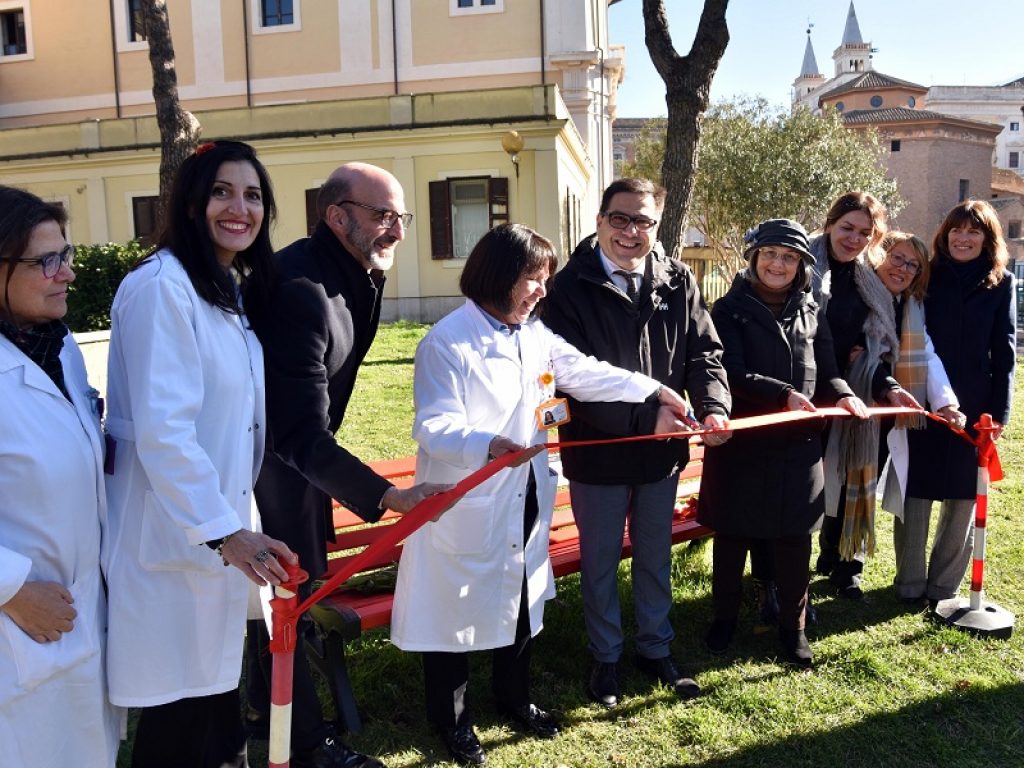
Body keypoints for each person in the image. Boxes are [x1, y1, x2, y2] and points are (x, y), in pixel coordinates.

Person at [391, 223, 693, 766]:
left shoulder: (533, 335)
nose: (541, 291)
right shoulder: (447, 341)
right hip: (469, 496)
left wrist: (652, 388)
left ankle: (515, 700)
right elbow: (431, 426)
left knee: (521, 603)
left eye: (545, 279)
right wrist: (486, 444)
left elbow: (585, 373)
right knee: (450, 617)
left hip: (525, 490)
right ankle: (454, 723)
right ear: (499, 274)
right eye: (533, 279)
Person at [247, 162, 449, 768]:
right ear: (338, 216)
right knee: (287, 602)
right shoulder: (301, 289)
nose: (397, 231)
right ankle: (306, 745)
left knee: (286, 605)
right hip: (266, 471)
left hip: (298, 465)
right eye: (383, 216)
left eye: (401, 218)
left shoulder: (351, 272)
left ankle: (271, 710)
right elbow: (296, 432)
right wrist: (388, 496)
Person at [103, 141, 297, 768]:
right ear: (190, 204)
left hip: (213, 536)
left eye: (253, 196)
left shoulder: (221, 290)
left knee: (214, 712)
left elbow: (230, 428)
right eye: (221, 192)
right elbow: (165, 431)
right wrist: (226, 533)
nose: (239, 208)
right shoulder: (161, 288)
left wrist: (239, 529)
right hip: (173, 541)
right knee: (175, 726)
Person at [541, 177, 731, 707]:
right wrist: (646, 418)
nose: (630, 231)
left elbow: (705, 355)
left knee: (653, 554)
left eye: (643, 221)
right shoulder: (565, 287)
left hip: (661, 454)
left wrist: (714, 407)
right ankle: (605, 658)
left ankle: (655, 647)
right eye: (620, 219)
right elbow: (567, 379)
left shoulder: (679, 280)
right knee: (599, 560)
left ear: (656, 226)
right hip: (596, 451)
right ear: (599, 220)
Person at [698, 219, 868, 667]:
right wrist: (783, 393)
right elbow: (729, 370)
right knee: (733, 537)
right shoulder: (726, 310)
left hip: (799, 443)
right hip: (743, 443)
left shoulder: (812, 311)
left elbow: (829, 370)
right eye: (771, 254)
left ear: (801, 265)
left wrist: (846, 395)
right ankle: (724, 618)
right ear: (754, 257)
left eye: (789, 257)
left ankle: (793, 628)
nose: (779, 264)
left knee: (796, 540)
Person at [0, 187, 121, 767]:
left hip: (76, 619)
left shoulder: (59, 347)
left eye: (66, 254)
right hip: (17, 626)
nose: (68, 274)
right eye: (45, 261)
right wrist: (12, 591)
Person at [897, 201, 1015, 605]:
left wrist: (999, 413)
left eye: (973, 232)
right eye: (956, 231)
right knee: (918, 489)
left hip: (976, 403)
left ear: (987, 239)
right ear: (945, 235)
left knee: (964, 495)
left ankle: (944, 584)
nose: (963, 238)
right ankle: (909, 581)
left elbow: (1005, 353)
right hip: (925, 394)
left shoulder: (1002, 283)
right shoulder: (927, 275)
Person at [809, 191, 912, 599]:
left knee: (855, 472)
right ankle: (788, 566)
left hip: (857, 389)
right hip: (805, 389)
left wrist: (875, 372)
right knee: (810, 481)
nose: (853, 238)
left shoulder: (870, 281)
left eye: (864, 233)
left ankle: (846, 559)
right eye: (847, 227)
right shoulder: (802, 266)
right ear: (830, 223)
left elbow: (878, 341)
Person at [872, 232, 965, 528]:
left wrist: (946, 403)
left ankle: (850, 562)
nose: (903, 268)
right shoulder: (856, 293)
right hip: (850, 401)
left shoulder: (911, 308)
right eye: (897, 257)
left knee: (866, 477)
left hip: (887, 409)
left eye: (913, 265)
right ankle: (832, 550)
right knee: (841, 478)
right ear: (879, 254)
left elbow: (926, 354)